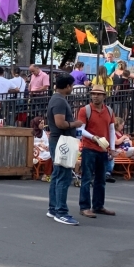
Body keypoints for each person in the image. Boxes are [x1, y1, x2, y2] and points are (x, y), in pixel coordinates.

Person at [46, 74, 84, 225]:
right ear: (67, 86)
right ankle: (61, 211)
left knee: (57, 174)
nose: (72, 88)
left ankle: (53, 208)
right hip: (62, 141)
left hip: (58, 140)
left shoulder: (56, 99)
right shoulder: (59, 101)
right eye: (72, 85)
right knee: (63, 175)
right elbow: (60, 123)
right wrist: (75, 124)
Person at [76, 86, 116, 219]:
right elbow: (80, 129)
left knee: (101, 179)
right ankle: (85, 207)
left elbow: (111, 130)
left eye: (98, 94)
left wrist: (112, 148)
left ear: (104, 96)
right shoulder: (85, 110)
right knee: (87, 178)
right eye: (93, 94)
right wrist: (93, 137)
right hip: (89, 148)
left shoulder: (109, 111)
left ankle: (98, 206)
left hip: (103, 149)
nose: (95, 96)